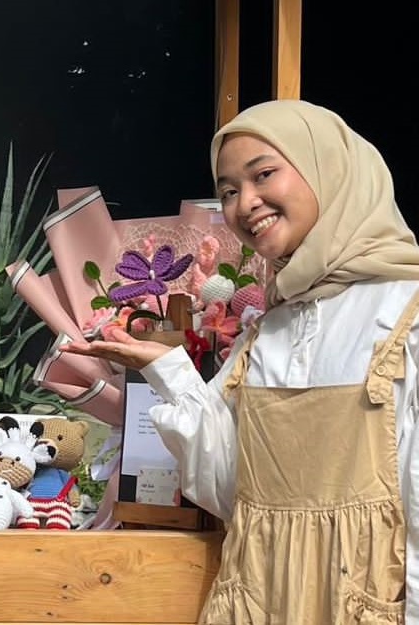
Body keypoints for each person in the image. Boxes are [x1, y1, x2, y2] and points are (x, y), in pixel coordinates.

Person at [61, 100, 419, 623]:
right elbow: (231, 490)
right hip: (256, 600)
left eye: (263, 174)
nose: (245, 203)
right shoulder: (267, 332)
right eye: (228, 191)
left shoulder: (405, 316)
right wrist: (170, 370)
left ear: (330, 170)